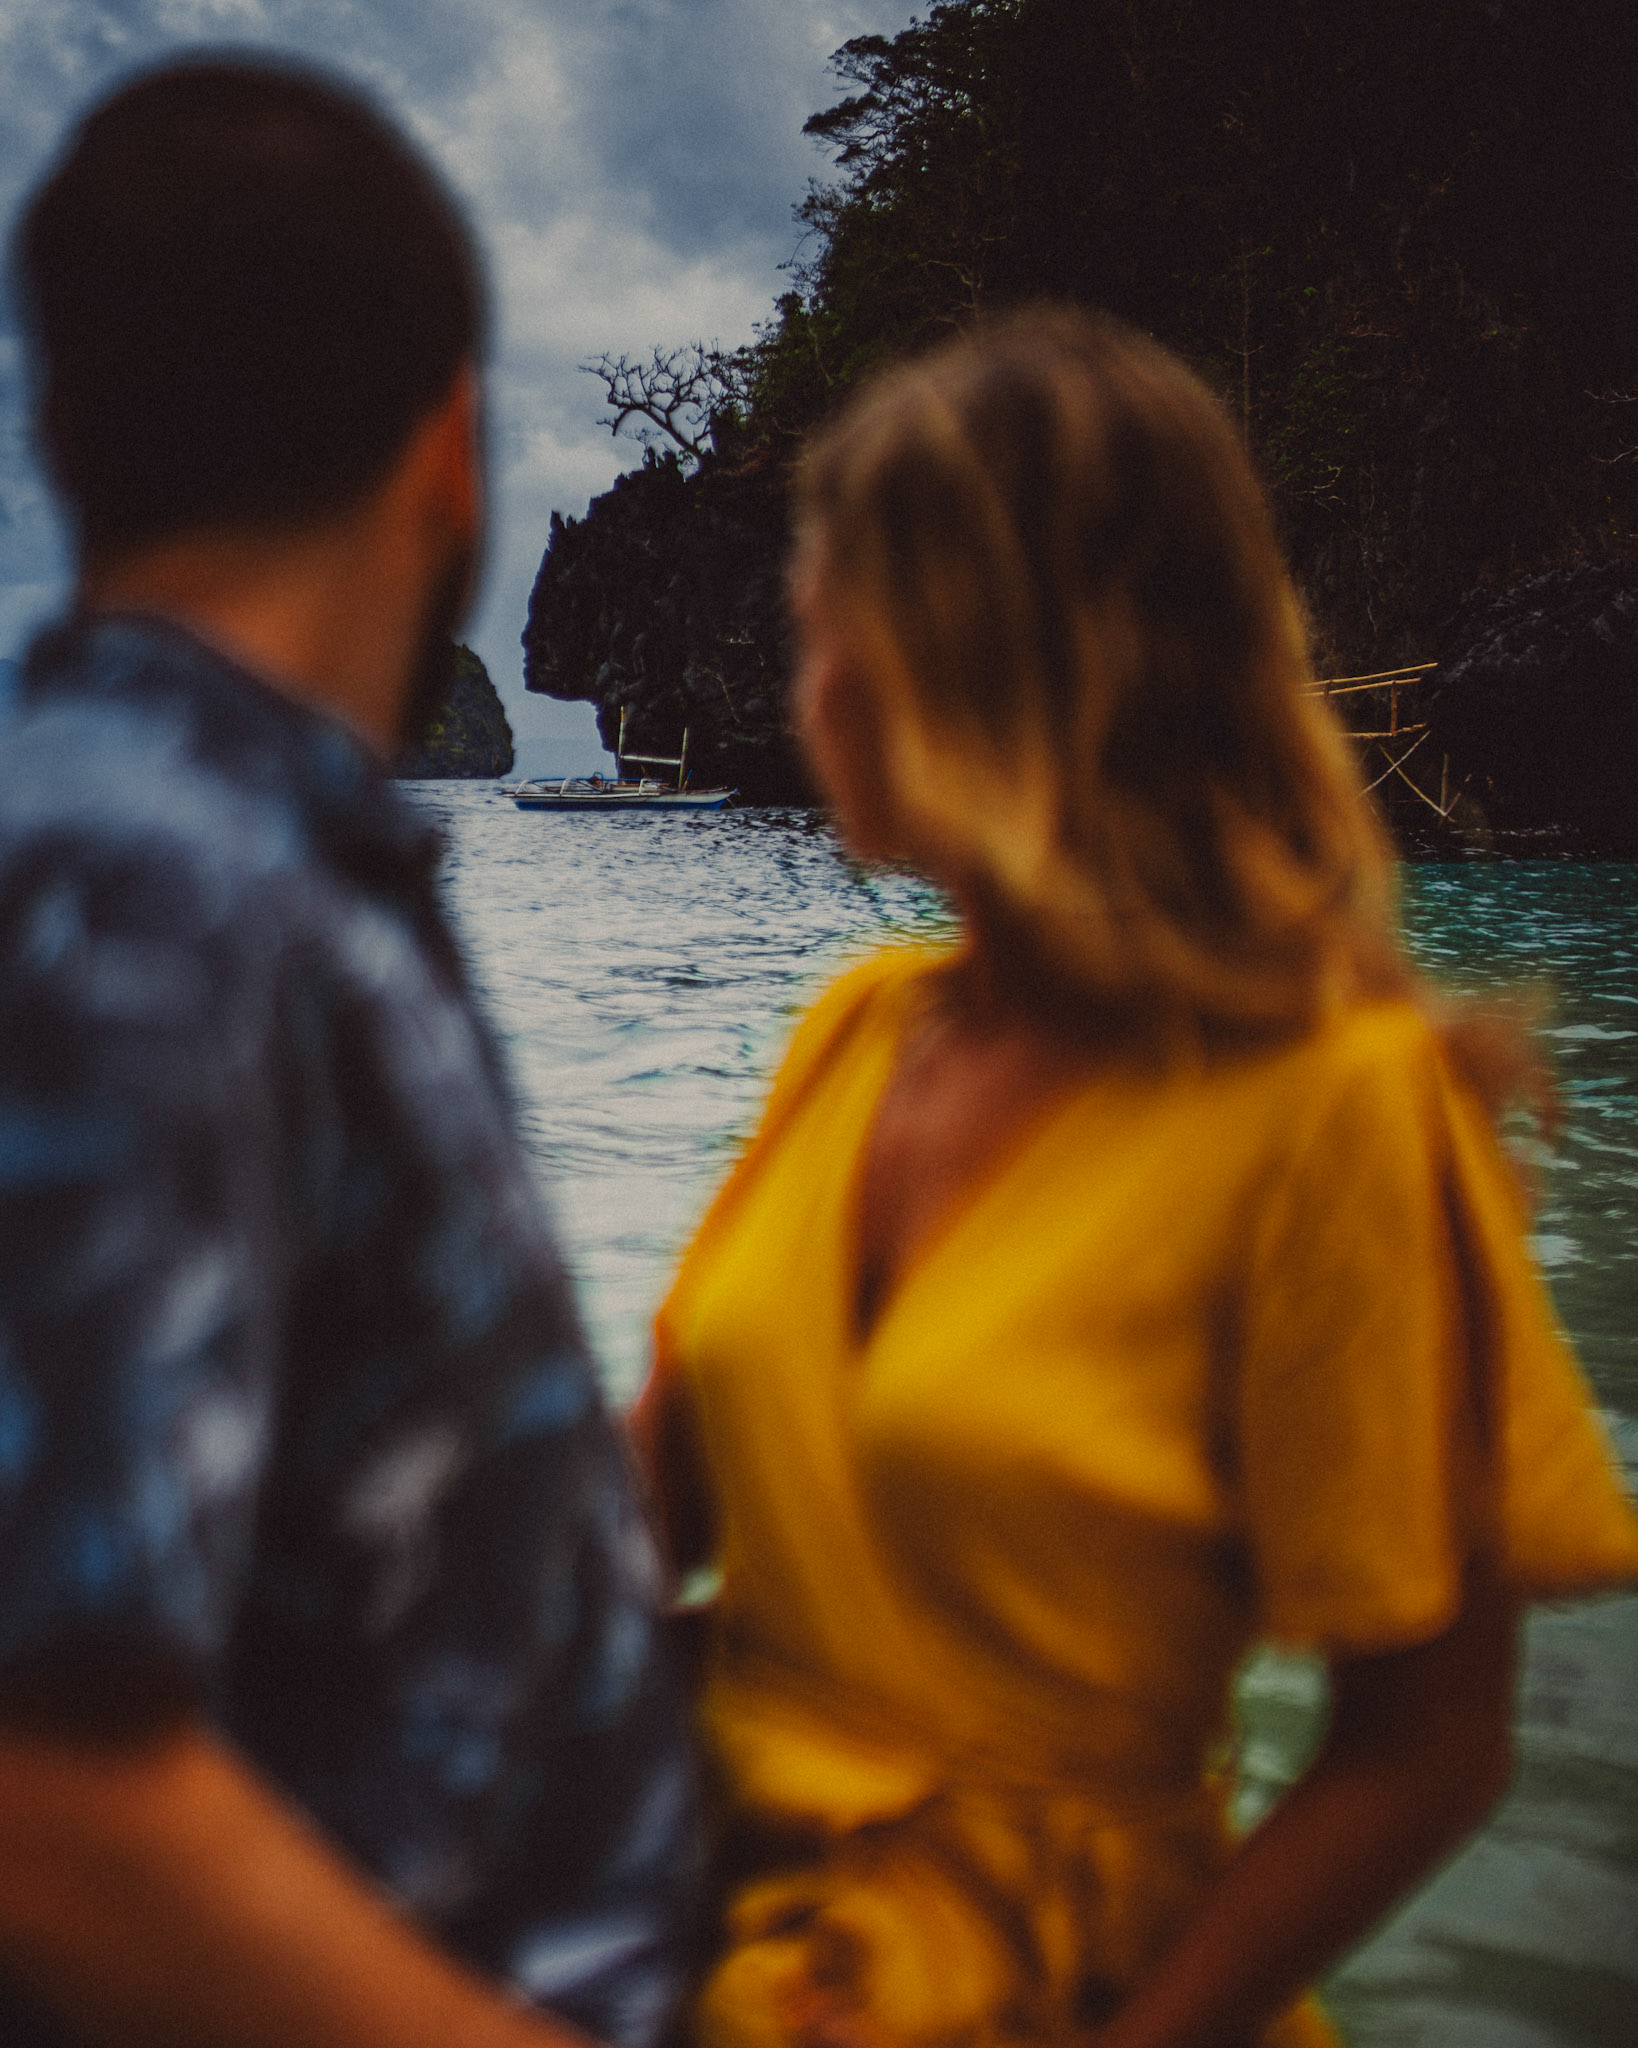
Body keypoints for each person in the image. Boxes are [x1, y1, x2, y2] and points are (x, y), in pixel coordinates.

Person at [631, 309, 1638, 2048]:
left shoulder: (1331, 1108)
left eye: (820, 634)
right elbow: (644, 1507)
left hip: (1071, 1995)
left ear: (961, 650)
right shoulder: (862, 1028)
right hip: (702, 1946)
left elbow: (1422, 1749)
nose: (802, 694)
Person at [0, 57, 696, 2048]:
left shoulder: (219, 864)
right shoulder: (145, 889)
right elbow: (44, 1795)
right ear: (452, 446)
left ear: (64, 433)